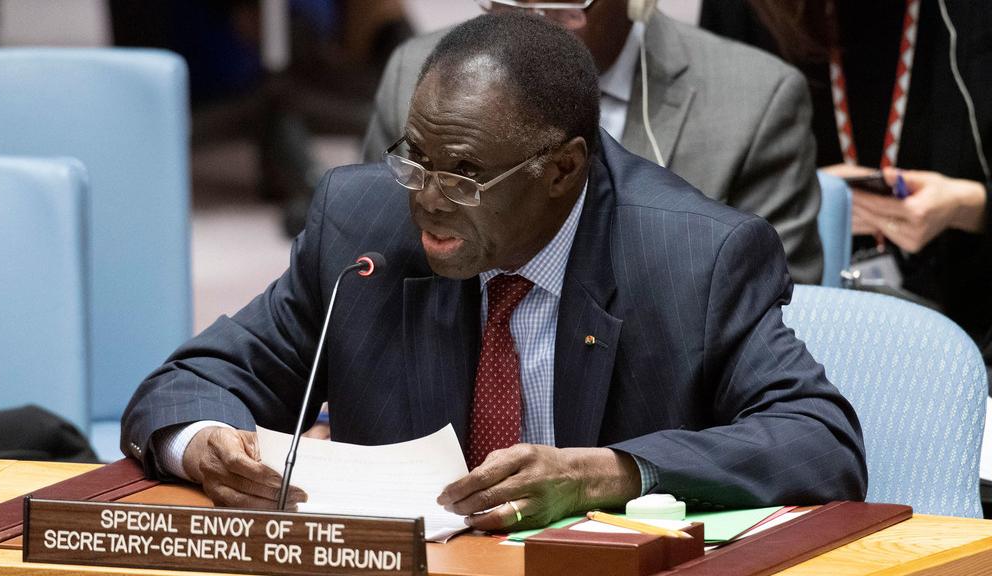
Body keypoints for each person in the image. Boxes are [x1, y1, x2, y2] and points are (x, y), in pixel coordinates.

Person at [122, 12, 866, 529]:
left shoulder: (693, 259)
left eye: (467, 173)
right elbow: (187, 384)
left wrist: (612, 474)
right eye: (415, 158)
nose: (428, 199)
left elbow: (820, 439)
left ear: (561, 169)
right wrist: (204, 440)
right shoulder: (362, 228)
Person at [362, 0, 826, 285]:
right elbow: (375, 261)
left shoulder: (755, 101)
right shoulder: (418, 73)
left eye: (567, 3)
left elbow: (776, 312)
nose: (534, 21)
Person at [701, 0, 991, 389]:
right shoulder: (746, 12)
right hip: (783, 338)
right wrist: (790, 188)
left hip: (969, 328)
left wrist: (970, 205)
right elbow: (705, 200)